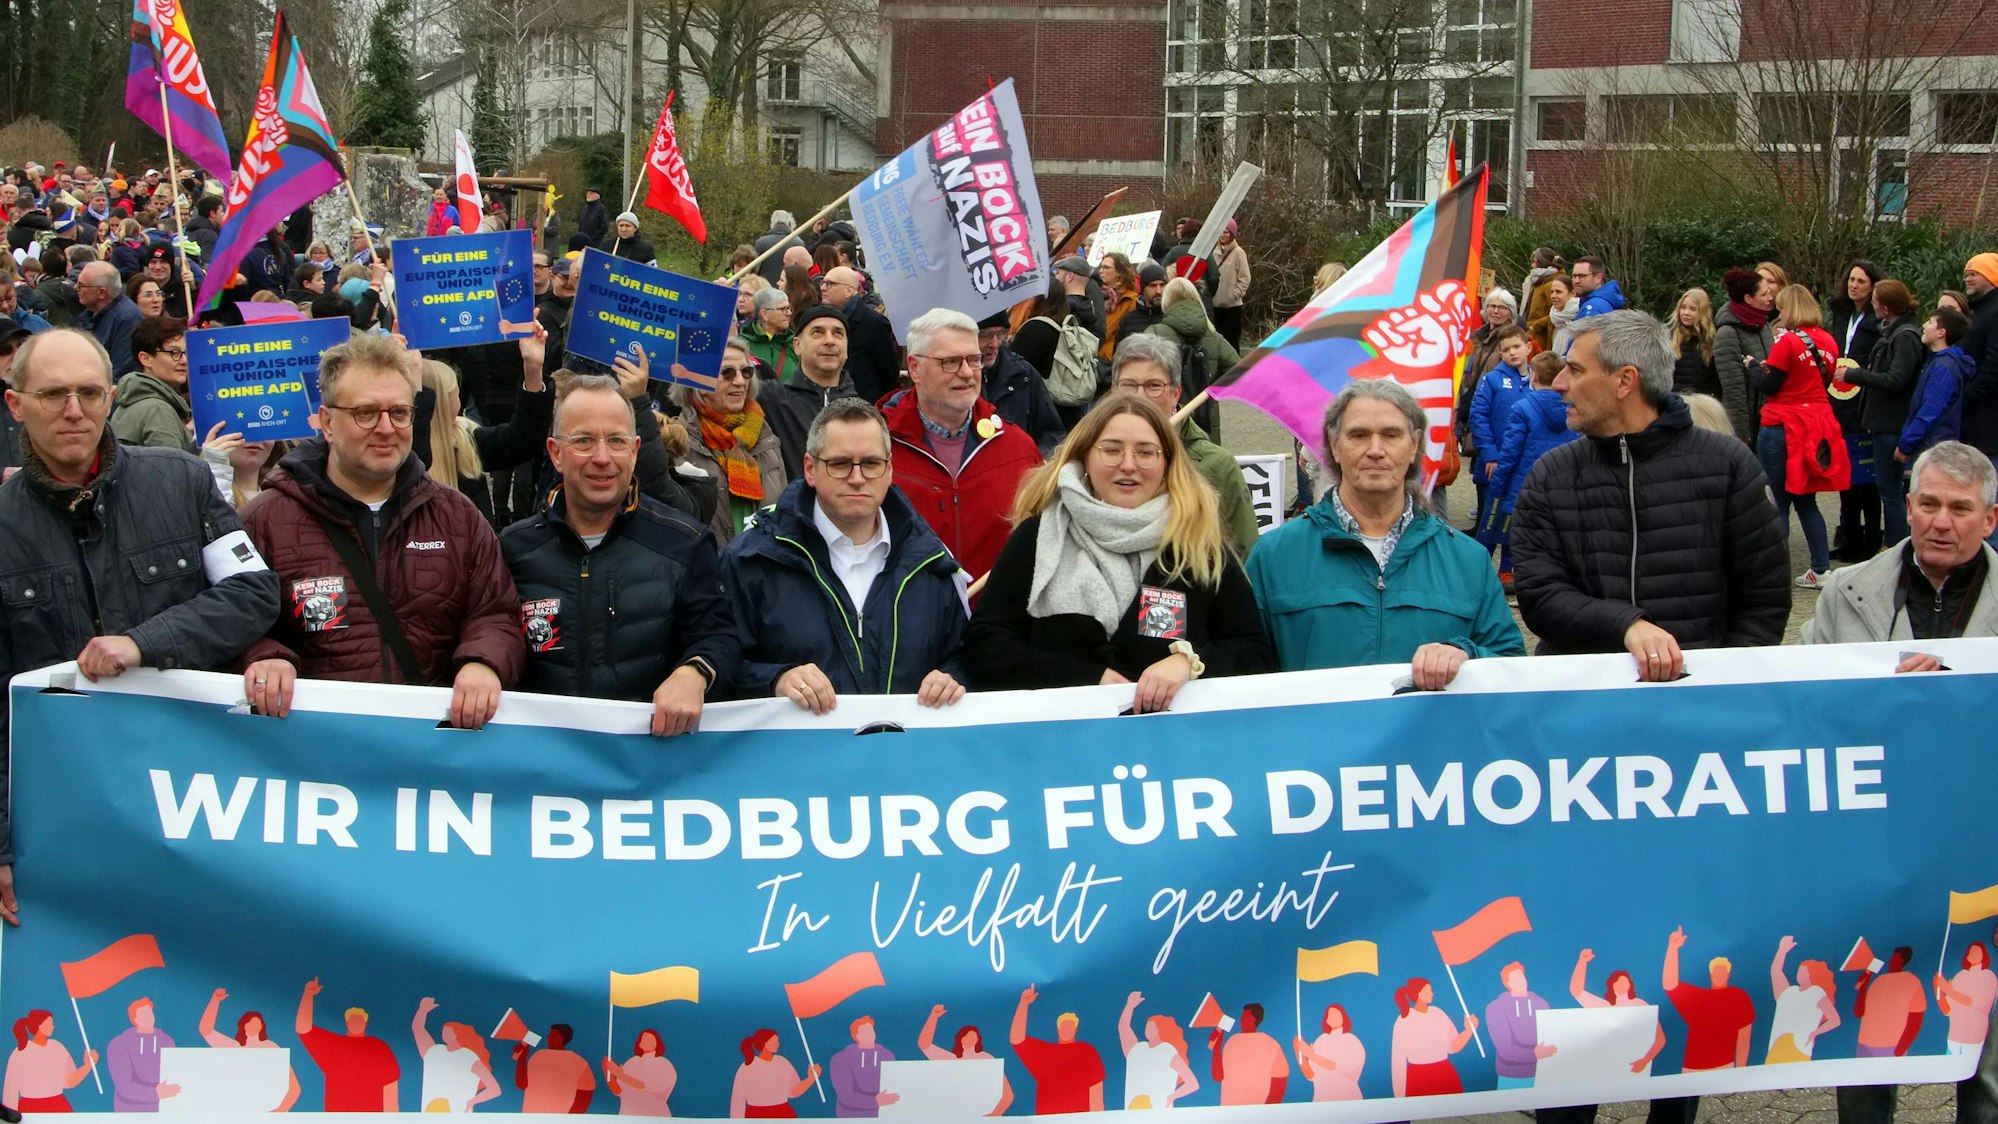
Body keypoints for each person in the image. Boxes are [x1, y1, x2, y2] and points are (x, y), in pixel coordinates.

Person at [0, 328, 279, 921]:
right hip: (64, 803)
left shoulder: (183, 480)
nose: (74, 411)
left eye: (89, 393)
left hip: (195, 788)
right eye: (53, 395)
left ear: (112, 396)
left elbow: (252, 591)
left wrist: (144, 643)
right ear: (15, 404)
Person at [239, 332, 524, 726]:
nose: (386, 428)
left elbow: (495, 613)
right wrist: (265, 655)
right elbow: (232, 621)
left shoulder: (459, 516)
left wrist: (483, 661)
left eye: (399, 412)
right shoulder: (265, 519)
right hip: (311, 757)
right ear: (327, 423)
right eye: (366, 413)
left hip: (430, 755)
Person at [1512, 310, 1789, 677]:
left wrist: (1721, 682)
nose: (1559, 382)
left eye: (1576, 370)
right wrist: (1626, 625)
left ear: (1625, 380)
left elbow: (1764, 598)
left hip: (1699, 706)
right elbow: (1540, 595)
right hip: (1585, 704)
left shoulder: (1727, 465)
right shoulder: (1551, 474)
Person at [966, 394, 1273, 699]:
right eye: (1111, 450)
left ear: (1166, 462)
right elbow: (986, 644)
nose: (1128, 465)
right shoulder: (1038, 537)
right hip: (1061, 738)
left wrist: (1188, 662)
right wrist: (1085, 678)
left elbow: (1252, 651)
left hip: (1171, 741)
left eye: (1146, 452)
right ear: (1085, 456)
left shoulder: (1196, 545)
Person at [502, 372, 736, 733]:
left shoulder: (685, 543)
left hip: (648, 768)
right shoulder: (514, 548)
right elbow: (491, 635)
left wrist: (695, 672)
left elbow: (718, 635)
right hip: (542, 768)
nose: (601, 457)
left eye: (616, 441)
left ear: (635, 449)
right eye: (583, 440)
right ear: (555, 453)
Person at [1249, 378, 1523, 685]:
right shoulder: (1274, 557)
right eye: (1359, 435)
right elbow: (1241, 676)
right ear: (1334, 446)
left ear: (1414, 446)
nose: (1375, 450)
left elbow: (1510, 665)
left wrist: (1466, 654)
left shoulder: (1467, 560)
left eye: (1391, 435)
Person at [722, 398, 967, 709]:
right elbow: (718, 664)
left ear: (889, 470)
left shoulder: (930, 561)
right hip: (800, 755)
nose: (857, 478)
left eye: (871, 463)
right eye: (839, 464)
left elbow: (963, 657)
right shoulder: (752, 559)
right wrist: (775, 680)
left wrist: (953, 678)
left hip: (905, 753)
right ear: (810, 469)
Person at [881, 308, 1043, 581]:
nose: (967, 373)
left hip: (993, 617)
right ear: (915, 367)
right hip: (905, 618)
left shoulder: (1018, 449)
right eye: (951, 362)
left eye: (974, 360)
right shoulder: (877, 450)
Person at [1802, 441, 1998, 650]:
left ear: (1989, 520)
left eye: (1959, 508)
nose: (1941, 523)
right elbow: (1806, 677)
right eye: (1929, 505)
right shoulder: (1842, 592)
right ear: (1910, 509)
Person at [1109, 333, 1258, 557]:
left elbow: (1245, 554)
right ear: (1114, 389)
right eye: (1129, 385)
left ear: (1175, 393)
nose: (1140, 397)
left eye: (1154, 386)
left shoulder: (1217, 466)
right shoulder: (1091, 456)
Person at [1748, 283, 1849, 589]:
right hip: (1816, 425)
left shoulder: (1788, 342)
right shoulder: (1829, 341)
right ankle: (1820, 569)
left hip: (1782, 424)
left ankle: (1772, 571)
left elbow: (1770, 386)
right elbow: (1825, 379)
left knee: (1777, 500)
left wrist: (1753, 367)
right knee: (1806, 500)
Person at [674, 339, 787, 546]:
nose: (740, 381)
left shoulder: (766, 436)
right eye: (727, 373)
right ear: (699, 383)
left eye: (746, 372)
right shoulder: (678, 444)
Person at [1481, 351, 1579, 583]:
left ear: (1533, 376)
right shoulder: (1573, 408)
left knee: (1505, 524)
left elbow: (1511, 450)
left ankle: (1502, 571)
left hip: (1521, 481)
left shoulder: (1522, 407)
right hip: (1559, 484)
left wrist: (1499, 483)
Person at [1841, 279, 1924, 548]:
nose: (1872, 305)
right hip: (1882, 423)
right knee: (1888, 489)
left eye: (1875, 301)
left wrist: (1855, 375)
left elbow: (1895, 379)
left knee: (1890, 491)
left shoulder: (1905, 336)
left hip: (1892, 425)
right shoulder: (1893, 331)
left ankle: (1897, 547)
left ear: (1886, 307)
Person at [762, 304, 860, 480]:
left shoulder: (863, 413)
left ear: (846, 348)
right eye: (818, 332)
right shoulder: (771, 400)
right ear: (797, 346)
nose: (829, 340)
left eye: (838, 333)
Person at [1837, 946, 1927, 1124]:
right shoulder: (1879, 981)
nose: (1891, 960)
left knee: (1874, 1100)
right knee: (1862, 1100)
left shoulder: (1911, 981)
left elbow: (1916, 1017)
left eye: (1895, 958)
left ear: (1902, 960)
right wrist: (1864, 984)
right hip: (1864, 1045)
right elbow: (1859, 1011)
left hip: (1889, 1048)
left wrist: (1900, 1049)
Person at [1147, 276, 1238, 439]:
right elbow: (1239, 369)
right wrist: (1212, 384)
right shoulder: (1214, 336)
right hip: (1205, 413)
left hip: (1167, 413)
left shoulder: (1154, 333)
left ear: (1166, 301)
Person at [295, 978, 400, 1111]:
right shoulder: (334, 1045)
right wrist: (308, 995)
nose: (356, 1023)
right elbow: (303, 1029)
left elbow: (391, 1094)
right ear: (346, 1023)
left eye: (359, 1020)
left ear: (366, 1024)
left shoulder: (379, 1047)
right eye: (353, 1020)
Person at [1663, 926, 1756, 1073]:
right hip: (1691, 1068)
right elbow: (1670, 984)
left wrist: (1741, 1071)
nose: (1719, 975)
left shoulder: (1738, 997)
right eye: (1716, 972)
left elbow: (1744, 1035)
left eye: (1723, 972)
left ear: (1728, 975)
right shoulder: (1698, 997)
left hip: (1724, 1066)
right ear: (1710, 975)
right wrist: (1673, 948)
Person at [1008, 984, 1107, 1114]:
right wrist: (1023, 1004)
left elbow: (1096, 1096)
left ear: (1076, 1030)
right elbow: (1016, 1039)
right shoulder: (1046, 1053)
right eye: (1064, 1026)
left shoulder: (1087, 1052)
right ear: (1058, 1029)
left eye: (1070, 1026)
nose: (1067, 1029)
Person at [1896, 308, 1975, 468]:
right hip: (1932, 445)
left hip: (1933, 448)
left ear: (1941, 333)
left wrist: (1906, 443)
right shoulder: (1937, 362)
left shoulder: (1944, 367)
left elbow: (1929, 411)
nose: (1924, 325)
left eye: (1930, 322)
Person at [1567, 948, 1668, 1073]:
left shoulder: (1640, 1005)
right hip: (1606, 1070)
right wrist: (1582, 961)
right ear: (1612, 985)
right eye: (1618, 982)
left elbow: (1660, 1039)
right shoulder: (1604, 1007)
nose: (1622, 985)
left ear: (1630, 985)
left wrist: (1644, 1061)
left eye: (1625, 982)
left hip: (1635, 1071)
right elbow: (1576, 991)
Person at [110, 314, 194, 451]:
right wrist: (211, 456)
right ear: (145, 359)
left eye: (185, 352)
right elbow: (172, 469)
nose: (184, 360)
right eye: (174, 352)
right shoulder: (158, 410)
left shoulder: (129, 401)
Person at [1714, 267, 1779, 443]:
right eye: (1764, 294)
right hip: (1749, 425)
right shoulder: (1727, 333)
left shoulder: (1763, 325)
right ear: (1748, 299)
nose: (1770, 298)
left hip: (1771, 419)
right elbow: (1733, 389)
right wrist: (1742, 434)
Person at [820, 266, 900, 404]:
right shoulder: (824, 317)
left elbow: (889, 372)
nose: (823, 288)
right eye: (823, 282)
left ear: (849, 290)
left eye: (830, 284)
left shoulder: (873, 323)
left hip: (862, 405)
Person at [915, 1005, 1014, 1115]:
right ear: (960, 1039)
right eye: (967, 1036)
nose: (970, 1040)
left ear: (977, 1040)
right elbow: (924, 1045)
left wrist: (994, 1114)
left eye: (973, 1037)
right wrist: (933, 1016)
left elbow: (1008, 1094)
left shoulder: (986, 1059)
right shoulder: (951, 1060)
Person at [1388, 978, 1476, 1097]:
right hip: (1418, 1078)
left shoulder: (1438, 1013)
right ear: (1419, 993)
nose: (1432, 993)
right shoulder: (1403, 1020)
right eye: (1429, 990)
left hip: (1445, 1074)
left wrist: (1469, 1030)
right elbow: (1398, 1061)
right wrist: (1399, 1096)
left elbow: (1453, 1047)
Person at [411, 997, 501, 1112]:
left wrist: (471, 1102)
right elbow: (418, 1029)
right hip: (430, 1112)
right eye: (444, 1030)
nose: (444, 1033)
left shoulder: (468, 1057)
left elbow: (494, 1089)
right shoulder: (435, 1052)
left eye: (448, 1031)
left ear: (457, 1035)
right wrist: (422, 1010)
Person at [2, 1009, 94, 1112]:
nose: (53, 1026)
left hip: (58, 1107)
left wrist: (88, 1066)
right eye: (49, 1023)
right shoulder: (20, 1052)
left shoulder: (58, 1047)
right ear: (39, 1025)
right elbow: (10, 1089)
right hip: (30, 1109)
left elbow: (69, 1082)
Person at [1765, 937, 1840, 1063]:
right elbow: (1775, 972)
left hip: (1798, 1047)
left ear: (1811, 974)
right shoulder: (1789, 992)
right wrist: (1782, 951)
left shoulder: (1816, 993)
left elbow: (1835, 1020)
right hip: (1777, 1046)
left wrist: (1815, 1033)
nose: (1798, 973)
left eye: (1802, 971)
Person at [1953, 254, 1998, 458]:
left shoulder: (1994, 311)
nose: (1967, 279)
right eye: (1966, 275)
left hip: (1986, 418)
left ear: (1991, 277)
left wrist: (1967, 395)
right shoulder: (1978, 310)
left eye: (1974, 274)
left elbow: (1993, 363)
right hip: (1973, 416)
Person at [1117, 993, 1196, 1109]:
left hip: (1158, 1111)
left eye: (1151, 1026)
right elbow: (1123, 1027)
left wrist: (1172, 1097)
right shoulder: (1138, 1049)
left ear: (1159, 1029)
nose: (1147, 1029)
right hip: (1133, 1112)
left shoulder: (1167, 1051)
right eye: (1147, 1026)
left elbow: (1192, 1083)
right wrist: (1129, 1006)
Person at [1486, 963, 1558, 1088]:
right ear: (1507, 983)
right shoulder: (1495, 1008)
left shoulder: (1541, 1003)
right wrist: (1534, 1054)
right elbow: (1505, 1049)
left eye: (1521, 976)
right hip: (1511, 1076)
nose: (1521, 981)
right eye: (1515, 978)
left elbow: (1550, 1035)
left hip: (1543, 1074)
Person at [1206, 1002, 1288, 1105]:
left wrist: (1265, 1114)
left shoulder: (1272, 1045)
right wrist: (1217, 1047)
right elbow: (1217, 1076)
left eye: (1244, 1016)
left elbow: (1280, 1083)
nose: (1240, 1019)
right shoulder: (1232, 1041)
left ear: (1253, 1019)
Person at [105, 997, 179, 1111]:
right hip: (129, 1110)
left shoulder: (167, 1041)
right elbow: (124, 1086)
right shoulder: (118, 1044)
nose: (149, 1017)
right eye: (144, 1014)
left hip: (162, 1109)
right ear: (134, 1019)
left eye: (150, 1013)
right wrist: (155, 1093)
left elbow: (173, 1074)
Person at [729, 1028, 819, 1118]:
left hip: (783, 1114)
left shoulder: (782, 1062)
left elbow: (794, 1092)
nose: (778, 1044)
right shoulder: (747, 1066)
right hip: (756, 1116)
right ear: (765, 1043)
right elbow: (737, 1101)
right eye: (775, 1041)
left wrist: (811, 1078)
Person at [73, 259, 141, 374]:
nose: (75, 288)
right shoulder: (88, 315)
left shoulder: (127, 319)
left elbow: (122, 372)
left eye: (81, 285)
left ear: (101, 293)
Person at [513, 1022, 594, 1113]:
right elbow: (522, 1083)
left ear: (562, 1038)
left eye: (552, 1035)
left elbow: (585, 1096)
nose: (548, 1037)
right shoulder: (538, 1056)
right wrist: (522, 1058)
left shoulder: (579, 1062)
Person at [826, 1016, 898, 1118]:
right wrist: (875, 1101)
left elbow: (893, 1085)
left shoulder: (887, 1056)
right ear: (856, 1036)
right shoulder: (841, 1059)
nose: (869, 1034)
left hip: (883, 1115)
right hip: (851, 1116)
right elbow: (846, 1095)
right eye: (865, 1031)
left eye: (870, 1030)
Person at [1293, 1003, 1364, 1102]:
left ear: (1343, 1018)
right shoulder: (1321, 1040)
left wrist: (1311, 1055)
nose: (1333, 1017)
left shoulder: (1351, 1040)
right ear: (1326, 1020)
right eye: (1330, 1015)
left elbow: (1335, 1066)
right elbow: (1310, 1075)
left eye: (1336, 1014)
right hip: (1321, 1101)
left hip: (1348, 1100)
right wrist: (1298, 1051)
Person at [1938, 942, 1997, 1057]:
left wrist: (1949, 990)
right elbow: (1947, 1010)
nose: (1973, 953)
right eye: (1971, 951)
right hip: (1953, 1039)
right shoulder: (1960, 976)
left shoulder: (1988, 976)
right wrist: (1939, 990)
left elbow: (1975, 1002)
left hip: (1973, 1041)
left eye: (1977, 951)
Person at [604, 1029, 676, 1117]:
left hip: (655, 1117)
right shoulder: (632, 1062)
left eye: (650, 1039)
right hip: (627, 1115)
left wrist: (619, 1074)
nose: (646, 1041)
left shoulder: (663, 1064)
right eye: (644, 1039)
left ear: (657, 1043)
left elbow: (644, 1086)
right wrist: (608, 1071)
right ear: (639, 1043)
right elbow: (618, 1091)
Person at [1671, 288, 1719, 397]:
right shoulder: (1667, 336)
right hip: (1673, 403)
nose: (1686, 313)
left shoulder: (1711, 339)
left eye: (1692, 309)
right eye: (1683, 308)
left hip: (1700, 403)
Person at [742, 287, 795, 381]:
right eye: (783, 309)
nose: (789, 313)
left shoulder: (795, 344)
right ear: (764, 314)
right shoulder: (743, 345)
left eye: (789, 308)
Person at [1214, 220, 1251, 348]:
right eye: (1221, 232)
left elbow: (1245, 277)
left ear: (1232, 234)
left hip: (1232, 306)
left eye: (1226, 232)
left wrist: (1234, 294)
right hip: (1216, 304)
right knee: (1217, 341)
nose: (1222, 235)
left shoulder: (1238, 253)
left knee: (1231, 341)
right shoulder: (1214, 252)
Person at [752, 210, 805, 283]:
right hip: (789, 287)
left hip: (765, 286)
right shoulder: (799, 243)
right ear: (788, 223)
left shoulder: (761, 243)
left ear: (772, 223)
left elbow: (754, 270)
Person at [1570, 255, 1624, 320]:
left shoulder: (1592, 308)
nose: (1576, 281)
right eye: (1574, 276)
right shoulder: (1605, 301)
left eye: (1582, 276)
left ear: (1598, 278)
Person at [1546, 274, 1580, 355]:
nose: (1553, 296)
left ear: (1572, 293)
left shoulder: (1580, 315)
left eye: (1558, 292)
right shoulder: (1555, 317)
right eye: (1552, 292)